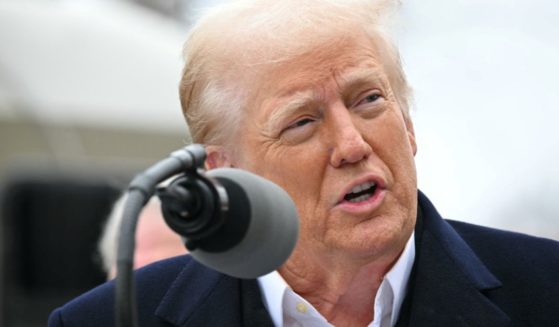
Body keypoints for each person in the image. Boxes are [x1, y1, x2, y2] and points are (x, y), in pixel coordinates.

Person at [48, 0, 559, 326]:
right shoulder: (111, 319)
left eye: (369, 100)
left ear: (408, 123)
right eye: (301, 123)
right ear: (228, 174)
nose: (352, 144)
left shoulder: (546, 289)